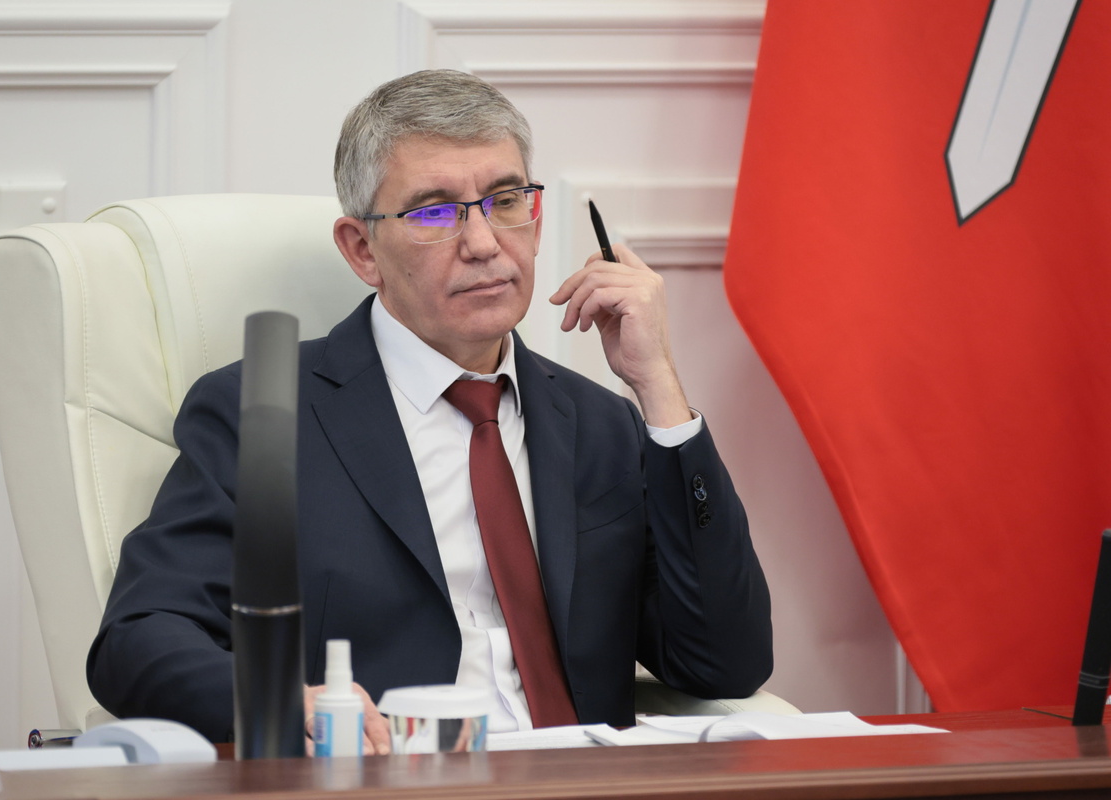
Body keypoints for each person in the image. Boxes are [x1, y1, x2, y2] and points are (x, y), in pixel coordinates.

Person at [87, 69, 772, 753]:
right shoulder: (263, 412)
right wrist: (282, 702)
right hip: (390, 779)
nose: (483, 243)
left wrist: (659, 390)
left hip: (584, 780)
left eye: (506, 201)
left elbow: (725, 662)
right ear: (363, 251)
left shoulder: (601, 424)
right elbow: (137, 638)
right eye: (434, 213)